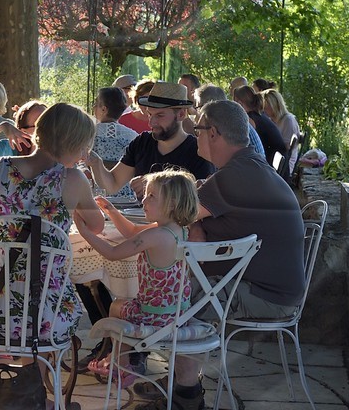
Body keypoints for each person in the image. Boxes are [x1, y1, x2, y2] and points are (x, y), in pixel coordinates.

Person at [0, 103, 107, 410]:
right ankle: (37, 394)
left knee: (13, 316)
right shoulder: (73, 180)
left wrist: (5, 233)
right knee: (48, 310)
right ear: (77, 146)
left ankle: (0, 387)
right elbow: (96, 227)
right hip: (46, 311)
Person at [74, 169, 199, 398]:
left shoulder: (156, 236)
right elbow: (131, 231)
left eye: (152, 196)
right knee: (124, 305)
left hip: (156, 317)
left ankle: (121, 365)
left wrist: (83, 230)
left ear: (171, 204)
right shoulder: (176, 230)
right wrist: (111, 211)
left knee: (116, 307)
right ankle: (120, 361)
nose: (144, 200)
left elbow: (112, 253)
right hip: (179, 313)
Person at [191, 99, 308, 325]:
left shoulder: (235, 174)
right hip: (270, 291)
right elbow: (191, 213)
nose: (196, 136)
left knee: (167, 296)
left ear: (213, 133)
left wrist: (194, 224)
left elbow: (177, 213)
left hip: (264, 296)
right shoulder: (248, 164)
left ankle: (134, 357)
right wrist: (196, 225)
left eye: (198, 130)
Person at [84, 81, 212, 198]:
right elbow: (112, 185)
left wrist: (154, 184)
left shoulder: (198, 150)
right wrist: (96, 163)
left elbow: (201, 198)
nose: (151, 122)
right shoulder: (141, 142)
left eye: (160, 115)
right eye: (150, 114)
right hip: (138, 221)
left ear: (181, 114)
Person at [235, 85, 284, 166]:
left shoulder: (250, 121)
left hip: (271, 169)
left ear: (239, 103)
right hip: (275, 167)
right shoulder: (259, 115)